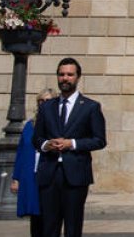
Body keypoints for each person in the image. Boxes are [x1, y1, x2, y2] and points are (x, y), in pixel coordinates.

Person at [34, 57, 108, 237]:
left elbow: (99, 140)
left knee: (73, 226)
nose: (65, 78)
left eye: (69, 74)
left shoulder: (90, 107)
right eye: (61, 74)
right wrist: (46, 144)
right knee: (48, 226)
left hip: (75, 174)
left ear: (78, 77)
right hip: (49, 173)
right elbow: (36, 138)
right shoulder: (47, 107)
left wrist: (72, 144)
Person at [11, 88, 55, 237]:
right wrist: (16, 178)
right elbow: (21, 151)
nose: (43, 104)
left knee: (49, 213)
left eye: (47, 101)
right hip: (31, 174)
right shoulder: (30, 125)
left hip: (49, 174)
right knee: (35, 214)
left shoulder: (58, 125)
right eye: (40, 101)